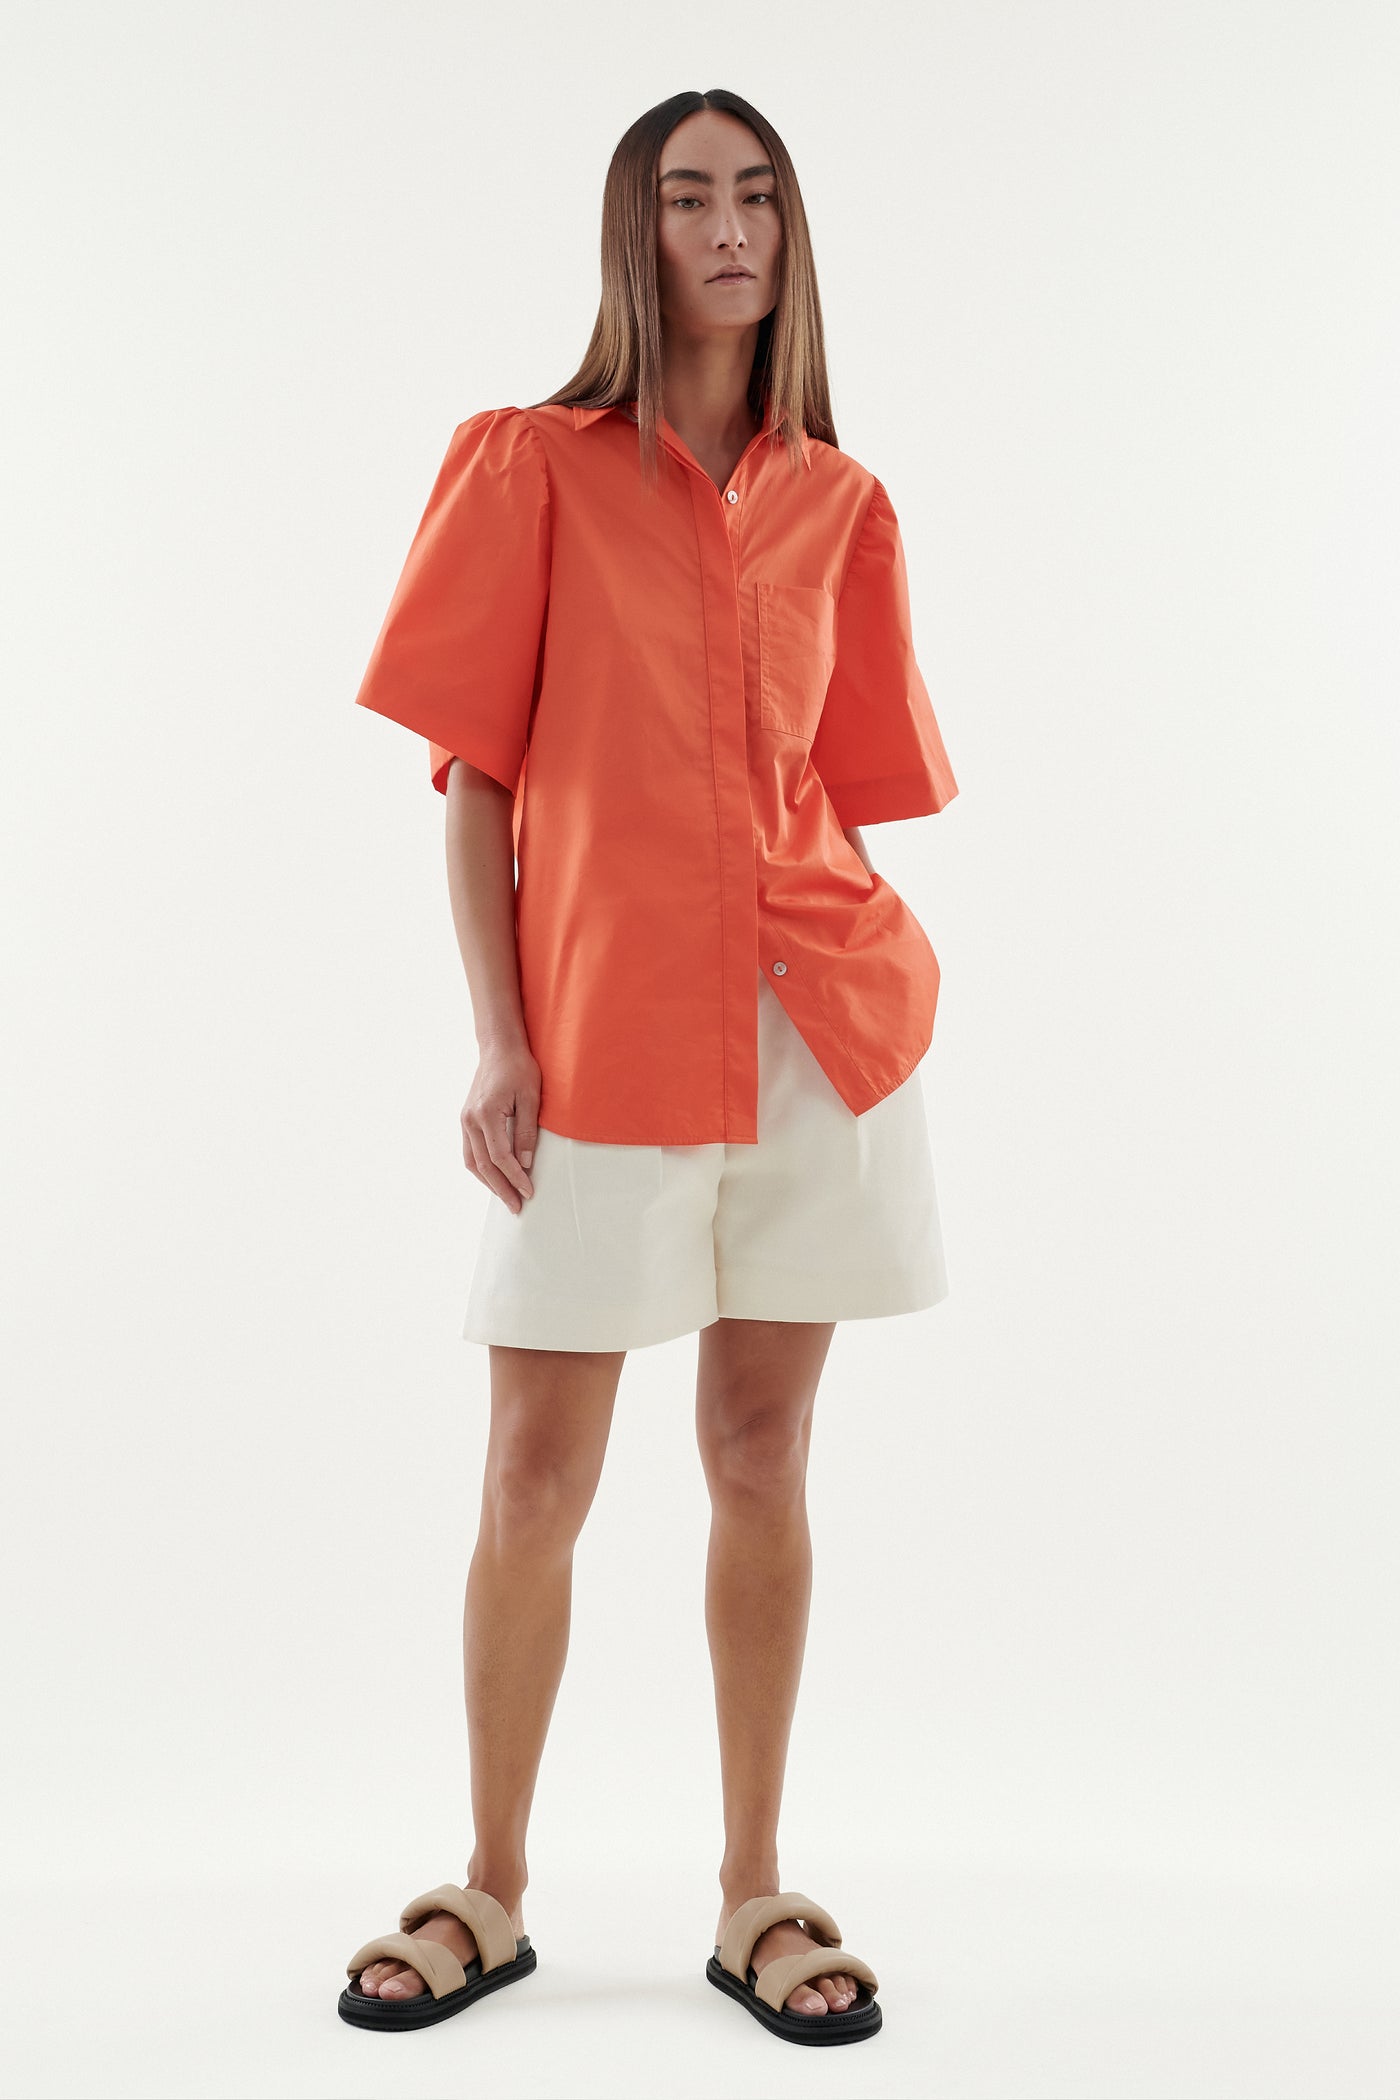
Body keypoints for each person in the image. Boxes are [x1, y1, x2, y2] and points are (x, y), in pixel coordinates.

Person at [337, 87, 959, 2048]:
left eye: (756, 194)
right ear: (637, 233)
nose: (727, 228)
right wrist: (496, 1037)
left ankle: (754, 1889)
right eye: (688, 197)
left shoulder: (843, 505)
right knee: (535, 1471)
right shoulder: (524, 467)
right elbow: (477, 780)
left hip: (818, 1036)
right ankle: (491, 1887)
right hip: (598, 1040)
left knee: (762, 1456)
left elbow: (842, 795)